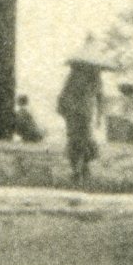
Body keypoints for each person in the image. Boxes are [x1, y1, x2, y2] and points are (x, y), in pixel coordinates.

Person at [57, 59, 105, 187]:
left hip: (75, 113)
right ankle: (82, 169)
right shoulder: (95, 77)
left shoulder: (74, 76)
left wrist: (64, 110)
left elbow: (63, 95)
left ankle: (78, 170)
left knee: (76, 140)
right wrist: (99, 117)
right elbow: (100, 99)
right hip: (83, 113)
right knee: (83, 140)